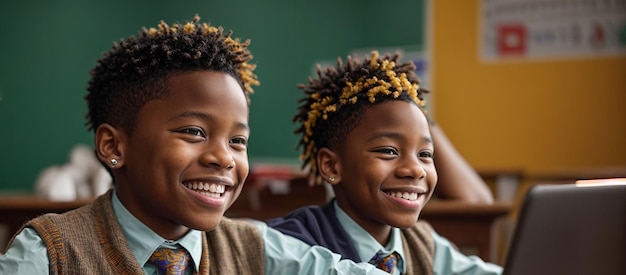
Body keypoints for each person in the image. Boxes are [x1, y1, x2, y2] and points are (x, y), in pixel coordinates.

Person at [0, 16, 392, 274]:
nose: (223, 157)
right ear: (111, 145)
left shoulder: (256, 249)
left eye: (238, 140)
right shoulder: (50, 254)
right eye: (193, 132)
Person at [268, 51, 503, 274]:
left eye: (425, 154)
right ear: (331, 166)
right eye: (389, 151)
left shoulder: (422, 243)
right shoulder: (292, 241)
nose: (415, 169)